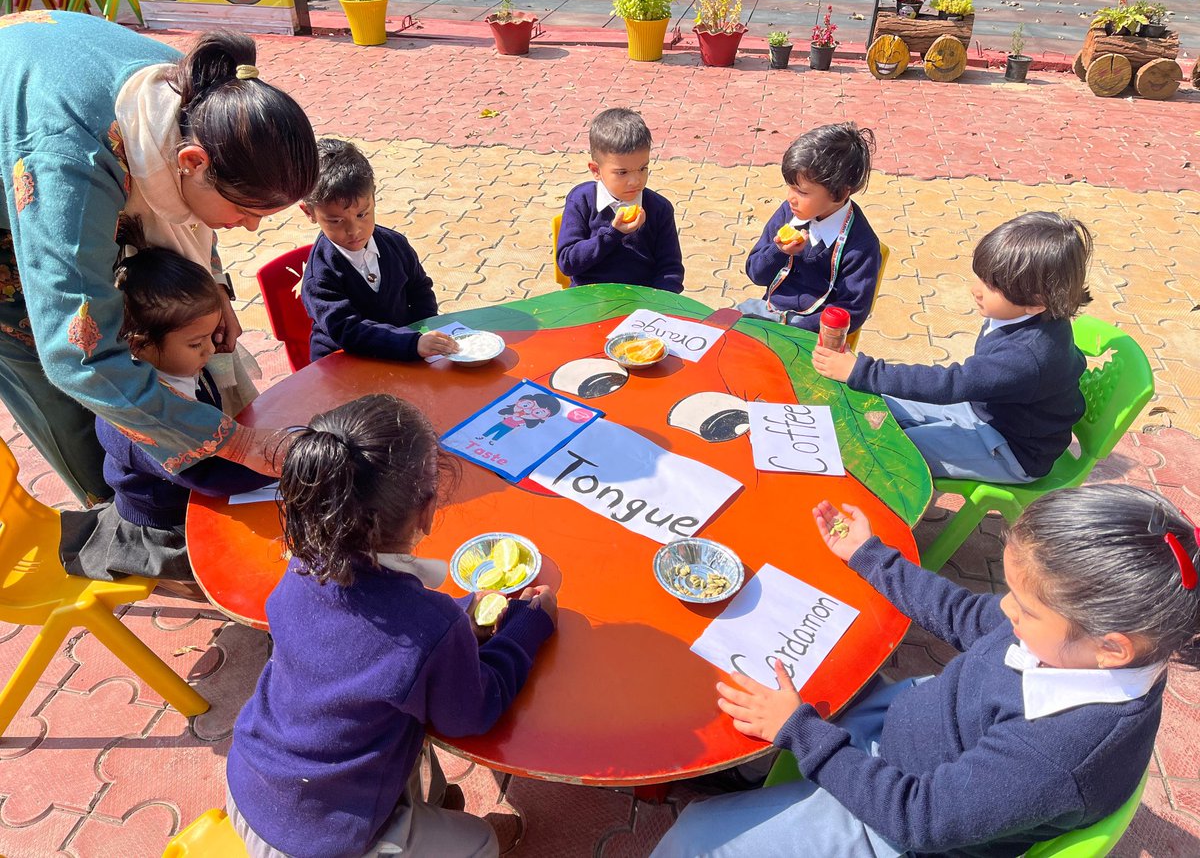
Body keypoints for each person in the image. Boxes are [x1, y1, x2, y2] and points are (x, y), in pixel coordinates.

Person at [653, 484, 1200, 858]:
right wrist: (871, 556)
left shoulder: (1059, 755)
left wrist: (799, 730)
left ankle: (766, 768)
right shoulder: (1091, 645)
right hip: (909, 725)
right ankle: (755, 766)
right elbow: (966, 615)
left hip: (893, 823)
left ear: (1112, 649)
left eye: (1025, 608)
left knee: (692, 840)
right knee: (810, 662)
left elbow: (917, 818)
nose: (1005, 611)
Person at [0, 13, 319, 503]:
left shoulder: (199, 95)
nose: (251, 227)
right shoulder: (72, 165)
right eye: (244, 210)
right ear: (191, 161)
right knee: (68, 379)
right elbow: (76, 358)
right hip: (28, 187)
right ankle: (118, 522)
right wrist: (239, 443)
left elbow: (189, 213)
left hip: (49, 116)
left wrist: (211, 283)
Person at [225, 394, 558, 858]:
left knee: (408, 737)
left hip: (252, 782)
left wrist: (462, 615)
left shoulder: (302, 566)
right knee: (480, 842)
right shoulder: (429, 628)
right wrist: (527, 628)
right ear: (425, 510)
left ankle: (430, 806)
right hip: (321, 837)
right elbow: (472, 713)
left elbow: (372, 641)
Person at [58, 219, 275, 596]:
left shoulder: (182, 367)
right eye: (196, 343)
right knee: (242, 571)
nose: (210, 350)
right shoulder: (137, 421)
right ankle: (163, 578)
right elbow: (208, 473)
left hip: (186, 492)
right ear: (140, 346)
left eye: (210, 336)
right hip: (163, 523)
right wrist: (285, 467)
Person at [813, 212, 1092, 484]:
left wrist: (861, 371)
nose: (976, 290)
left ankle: (883, 519)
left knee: (889, 451)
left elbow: (952, 383)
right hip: (984, 410)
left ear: (1037, 301)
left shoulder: (1026, 357)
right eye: (981, 278)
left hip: (1013, 450)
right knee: (881, 405)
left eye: (992, 287)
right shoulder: (1030, 314)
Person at [300, 138, 458, 363]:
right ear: (310, 213)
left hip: (402, 351)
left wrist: (425, 332)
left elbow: (420, 289)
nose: (353, 230)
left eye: (362, 214)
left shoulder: (396, 244)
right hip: (342, 364)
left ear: (373, 196)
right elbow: (349, 330)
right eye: (335, 221)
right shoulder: (320, 277)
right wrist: (411, 343)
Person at [739, 122, 882, 334]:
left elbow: (853, 310)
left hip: (813, 335)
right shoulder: (788, 215)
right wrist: (778, 252)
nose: (790, 198)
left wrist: (795, 328)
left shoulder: (861, 245)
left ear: (839, 194)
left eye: (802, 192)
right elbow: (756, 274)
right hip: (767, 316)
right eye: (789, 187)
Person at [556, 108, 684, 293]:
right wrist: (611, 234)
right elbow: (568, 263)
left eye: (643, 168)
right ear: (596, 170)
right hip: (588, 298)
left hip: (642, 301)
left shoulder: (659, 208)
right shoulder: (581, 200)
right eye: (622, 172)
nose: (636, 180)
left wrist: (657, 304)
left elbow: (670, 270)